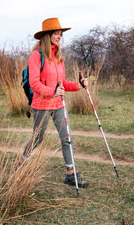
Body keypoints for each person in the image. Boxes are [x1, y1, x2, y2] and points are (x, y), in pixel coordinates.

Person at [20, 17, 89, 188]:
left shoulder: (59, 57)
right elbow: (34, 83)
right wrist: (52, 92)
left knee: (66, 139)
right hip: (41, 105)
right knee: (38, 139)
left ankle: (71, 174)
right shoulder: (37, 56)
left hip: (58, 105)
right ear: (47, 35)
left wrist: (78, 85)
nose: (60, 37)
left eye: (61, 34)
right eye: (57, 34)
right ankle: (21, 162)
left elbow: (62, 83)